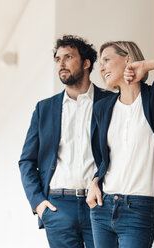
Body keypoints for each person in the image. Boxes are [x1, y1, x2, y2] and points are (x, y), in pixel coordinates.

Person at [86, 41, 154, 248]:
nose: (101, 68)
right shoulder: (103, 107)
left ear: (127, 59)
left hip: (140, 208)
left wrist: (144, 66)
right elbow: (103, 158)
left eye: (107, 59)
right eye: (100, 63)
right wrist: (94, 181)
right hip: (103, 207)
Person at [18, 35, 114, 248]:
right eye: (57, 59)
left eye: (68, 57)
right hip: (57, 207)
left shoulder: (109, 102)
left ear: (86, 63)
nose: (61, 63)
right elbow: (26, 161)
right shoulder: (44, 109)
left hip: (99, 204)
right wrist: (38, 204)